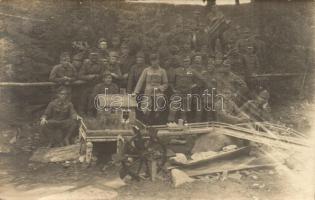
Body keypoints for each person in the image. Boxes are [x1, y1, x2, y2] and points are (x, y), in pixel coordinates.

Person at [134, 53, 168, 124]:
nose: (154, 62)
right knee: (145, 108)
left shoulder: (162, 71)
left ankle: (156, 119)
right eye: (152, 60)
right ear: (150, 61)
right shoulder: (146, 70)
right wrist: (136, 92)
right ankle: (145, 122)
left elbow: (166, 84)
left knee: (159, 102)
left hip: (158, 92)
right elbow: (140, 81)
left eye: (155, 60)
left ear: (158, 61)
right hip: (148, 92)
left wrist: (160, 88)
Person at [168, 56, 201, 122]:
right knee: (173, 109)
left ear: (190, 62)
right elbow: (171, 81)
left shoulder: (193, 71)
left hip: (187, 93)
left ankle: (182, 126)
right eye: (184, 61)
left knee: (184, 111)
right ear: (181, 62)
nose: (186, 63)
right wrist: (173, 89)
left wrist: (193, 86)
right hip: (178, 92)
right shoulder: (176, 70)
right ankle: (170, 124)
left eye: (187, 61)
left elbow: (199, 80)